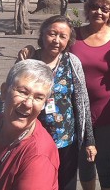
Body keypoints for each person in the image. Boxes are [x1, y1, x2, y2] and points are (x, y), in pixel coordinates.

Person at [17, 15, 97, 190]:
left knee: (66, 184)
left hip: (66, 140)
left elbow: (82, 102)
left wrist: (89, 140)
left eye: (63, 36)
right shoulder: (30, 61)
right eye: (52, 34)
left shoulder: (72, 62)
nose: (56, 40)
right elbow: (15, 95)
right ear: (43, 34)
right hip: (34, 140)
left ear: (69, 40)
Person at [69, 0, 110, 190]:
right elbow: (52, 53)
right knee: (85, 163)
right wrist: (31, 50)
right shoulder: (74, 36)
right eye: (95, 7)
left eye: (105, 8)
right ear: (88, 9)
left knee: (105, 163)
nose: (99, 12)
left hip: (109, 112)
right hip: (78, 112)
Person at [0, 60, 60, 190]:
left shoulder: (38, 156)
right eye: (23, 92)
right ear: (4, 91)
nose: (28, 103)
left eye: (38, 98)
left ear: (44, 104)